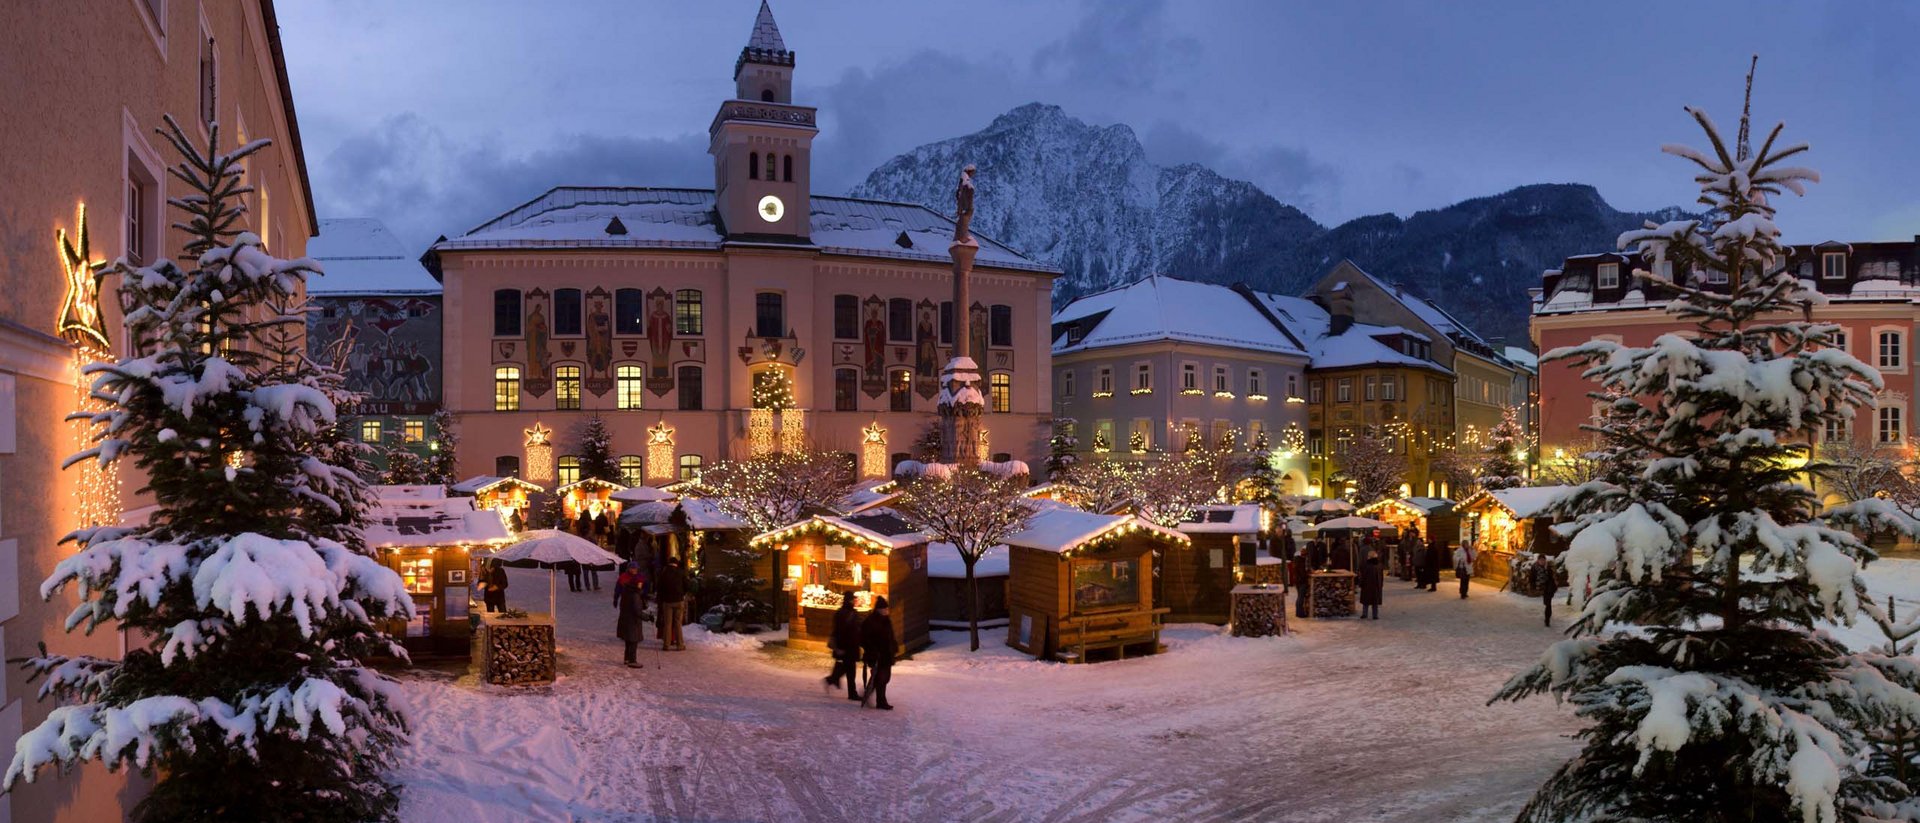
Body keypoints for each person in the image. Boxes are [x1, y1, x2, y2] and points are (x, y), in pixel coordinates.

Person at [860, 596, 897, 710]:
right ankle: (880, 701)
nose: (886, 611)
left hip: (886, 654)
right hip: (876, 655)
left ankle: (872, 695)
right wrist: (872, 650)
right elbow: (864, 638)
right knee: (880, 678)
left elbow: (890, 636)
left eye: (887, 609)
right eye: (884, 609)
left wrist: (894, 647)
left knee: (884, 678)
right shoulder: (871, 621)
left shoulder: (886, 620)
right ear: (878, 609)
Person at [824, 596, 862, 700]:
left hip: (846, 645)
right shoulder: (849, 613)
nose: (855, 601)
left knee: (847, 668)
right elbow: (845, 630)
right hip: (848, 645)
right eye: (853, 600)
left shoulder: (842, 612)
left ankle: (832, 679)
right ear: (850, 601)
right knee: (850, 670)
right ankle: (834, 681)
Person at [613, 561, 647, 668]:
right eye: (632, 568)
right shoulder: (624, 579)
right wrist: (647, 617)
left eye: (635, 569)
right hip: (632, 617)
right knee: (633, 638)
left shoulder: (638, 580)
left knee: (628, 637)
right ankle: (632, 660)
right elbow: (618, 589)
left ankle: (627, 658)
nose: (634, 570)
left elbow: (645, 589)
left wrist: (643, 600)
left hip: (626, 611)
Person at [656, 553, 687, 651]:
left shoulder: (664, 573)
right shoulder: (681, 572)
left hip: (667, 601)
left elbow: (659, 587)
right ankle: (680, 644)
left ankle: (666, 644)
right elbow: (687, 585)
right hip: (679, 600)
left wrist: (660, 599)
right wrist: (682, 593)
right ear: (676, 563)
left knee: (667, 623)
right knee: (678, 623)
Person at [1534, 556, 1560, 627]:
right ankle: (1547, 617)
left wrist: (1547, 571)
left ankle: (1547, 619)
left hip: (1549, 588)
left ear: (1545, 560)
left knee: (1548, 604)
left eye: (1543, 560)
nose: (1542, 561)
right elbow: (1532, 577)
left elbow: (1553, 577)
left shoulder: (1549, 568)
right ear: (1538, 561)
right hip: (1543, 587)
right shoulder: (1535, 567)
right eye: (1540, 560)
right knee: (1546, 603)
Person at [1358, 552, 1384, 620]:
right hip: (1376, 586)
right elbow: (1381, 577)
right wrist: (1381, 585)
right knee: (1375, 601)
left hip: (1367, 586)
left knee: (1366, 601)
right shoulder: (1379, 566)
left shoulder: (1366, 566)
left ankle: (1364, 614)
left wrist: (1361, 583)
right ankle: (1375, 615)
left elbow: (1363, 576)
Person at [1289, 550, 1311, 618]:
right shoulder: (1301, 562)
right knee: (1300, 597)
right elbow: (1302, 573)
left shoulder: (1296, 560)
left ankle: (1298, 612)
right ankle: (1300, 613)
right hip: (1302, 581)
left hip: (1297, 581)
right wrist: (1307, 574)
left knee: (1299, 596)